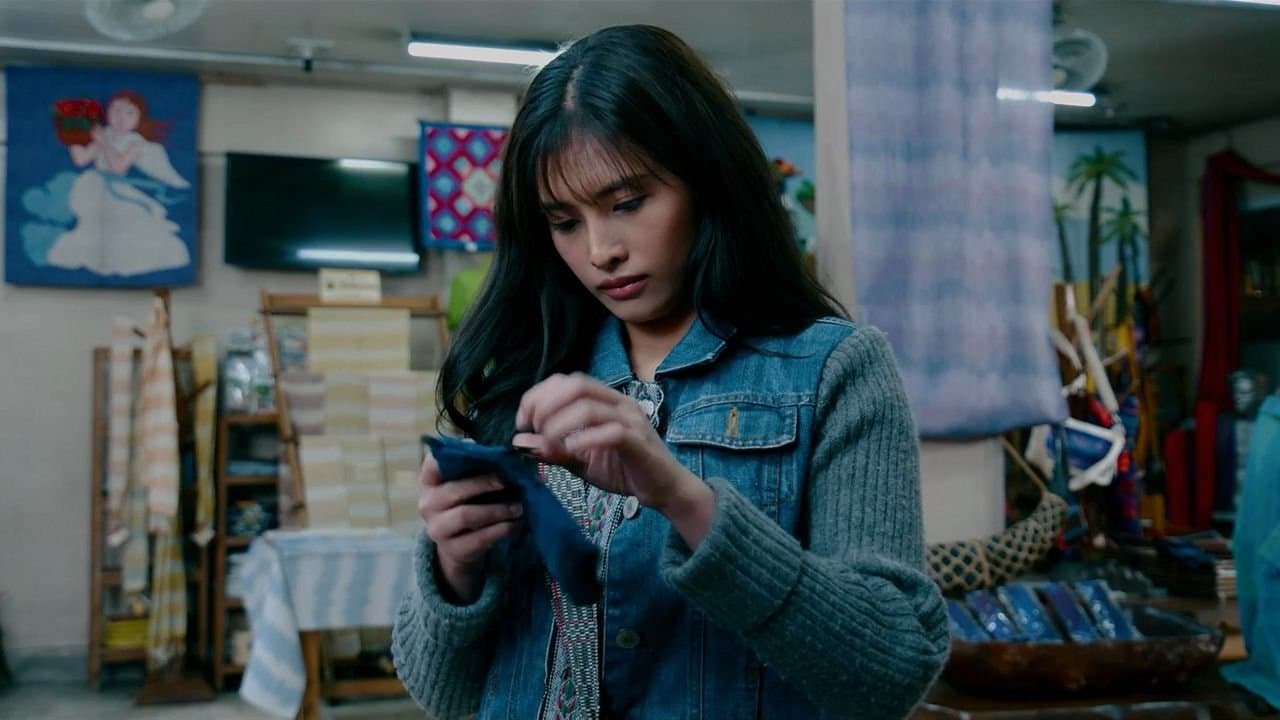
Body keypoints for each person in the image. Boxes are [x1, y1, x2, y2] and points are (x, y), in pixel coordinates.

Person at [393, 24, 948, 720]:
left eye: (627, 203)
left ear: (707, 180)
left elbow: (891, 672)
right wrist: (454, 567)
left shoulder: (834, 372)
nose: (601, 250)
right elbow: (443, 695)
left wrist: (684, 499)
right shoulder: (523, 374)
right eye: (564, 222)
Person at [46, 90, 191, 276]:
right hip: (95, 186)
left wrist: (104, 143)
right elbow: (81, 160)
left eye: (129, 113)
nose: (121, 118)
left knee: (127, 227)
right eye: (116, 110)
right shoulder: (103, 133)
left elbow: (118, 167)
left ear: (138, 119)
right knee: (92, 226)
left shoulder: (135, 143)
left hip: (118, 188)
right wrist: (71, 135)